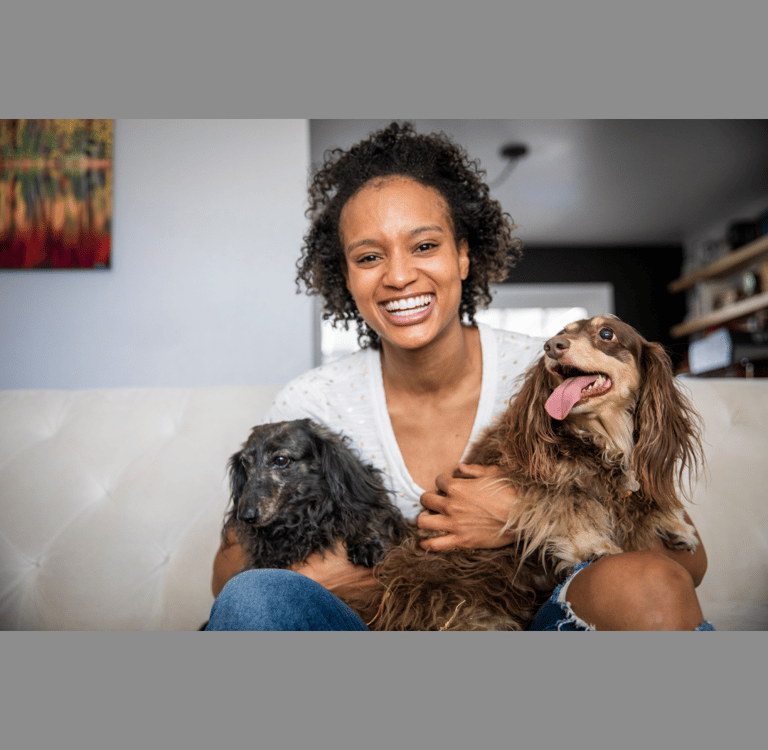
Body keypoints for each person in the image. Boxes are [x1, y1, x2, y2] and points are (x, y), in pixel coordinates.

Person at [206, 121, 712, 631]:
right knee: (254, 597)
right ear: (345, 277)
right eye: (368, 257)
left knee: (650, 583)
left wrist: (524, 516)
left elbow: (688, 563)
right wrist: (342, 576)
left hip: (538, 615)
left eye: (424, 246)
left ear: (464, 255)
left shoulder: (552, 374)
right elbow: (228, 581)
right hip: (373, 624)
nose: (399, 276)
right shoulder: (314, 405)